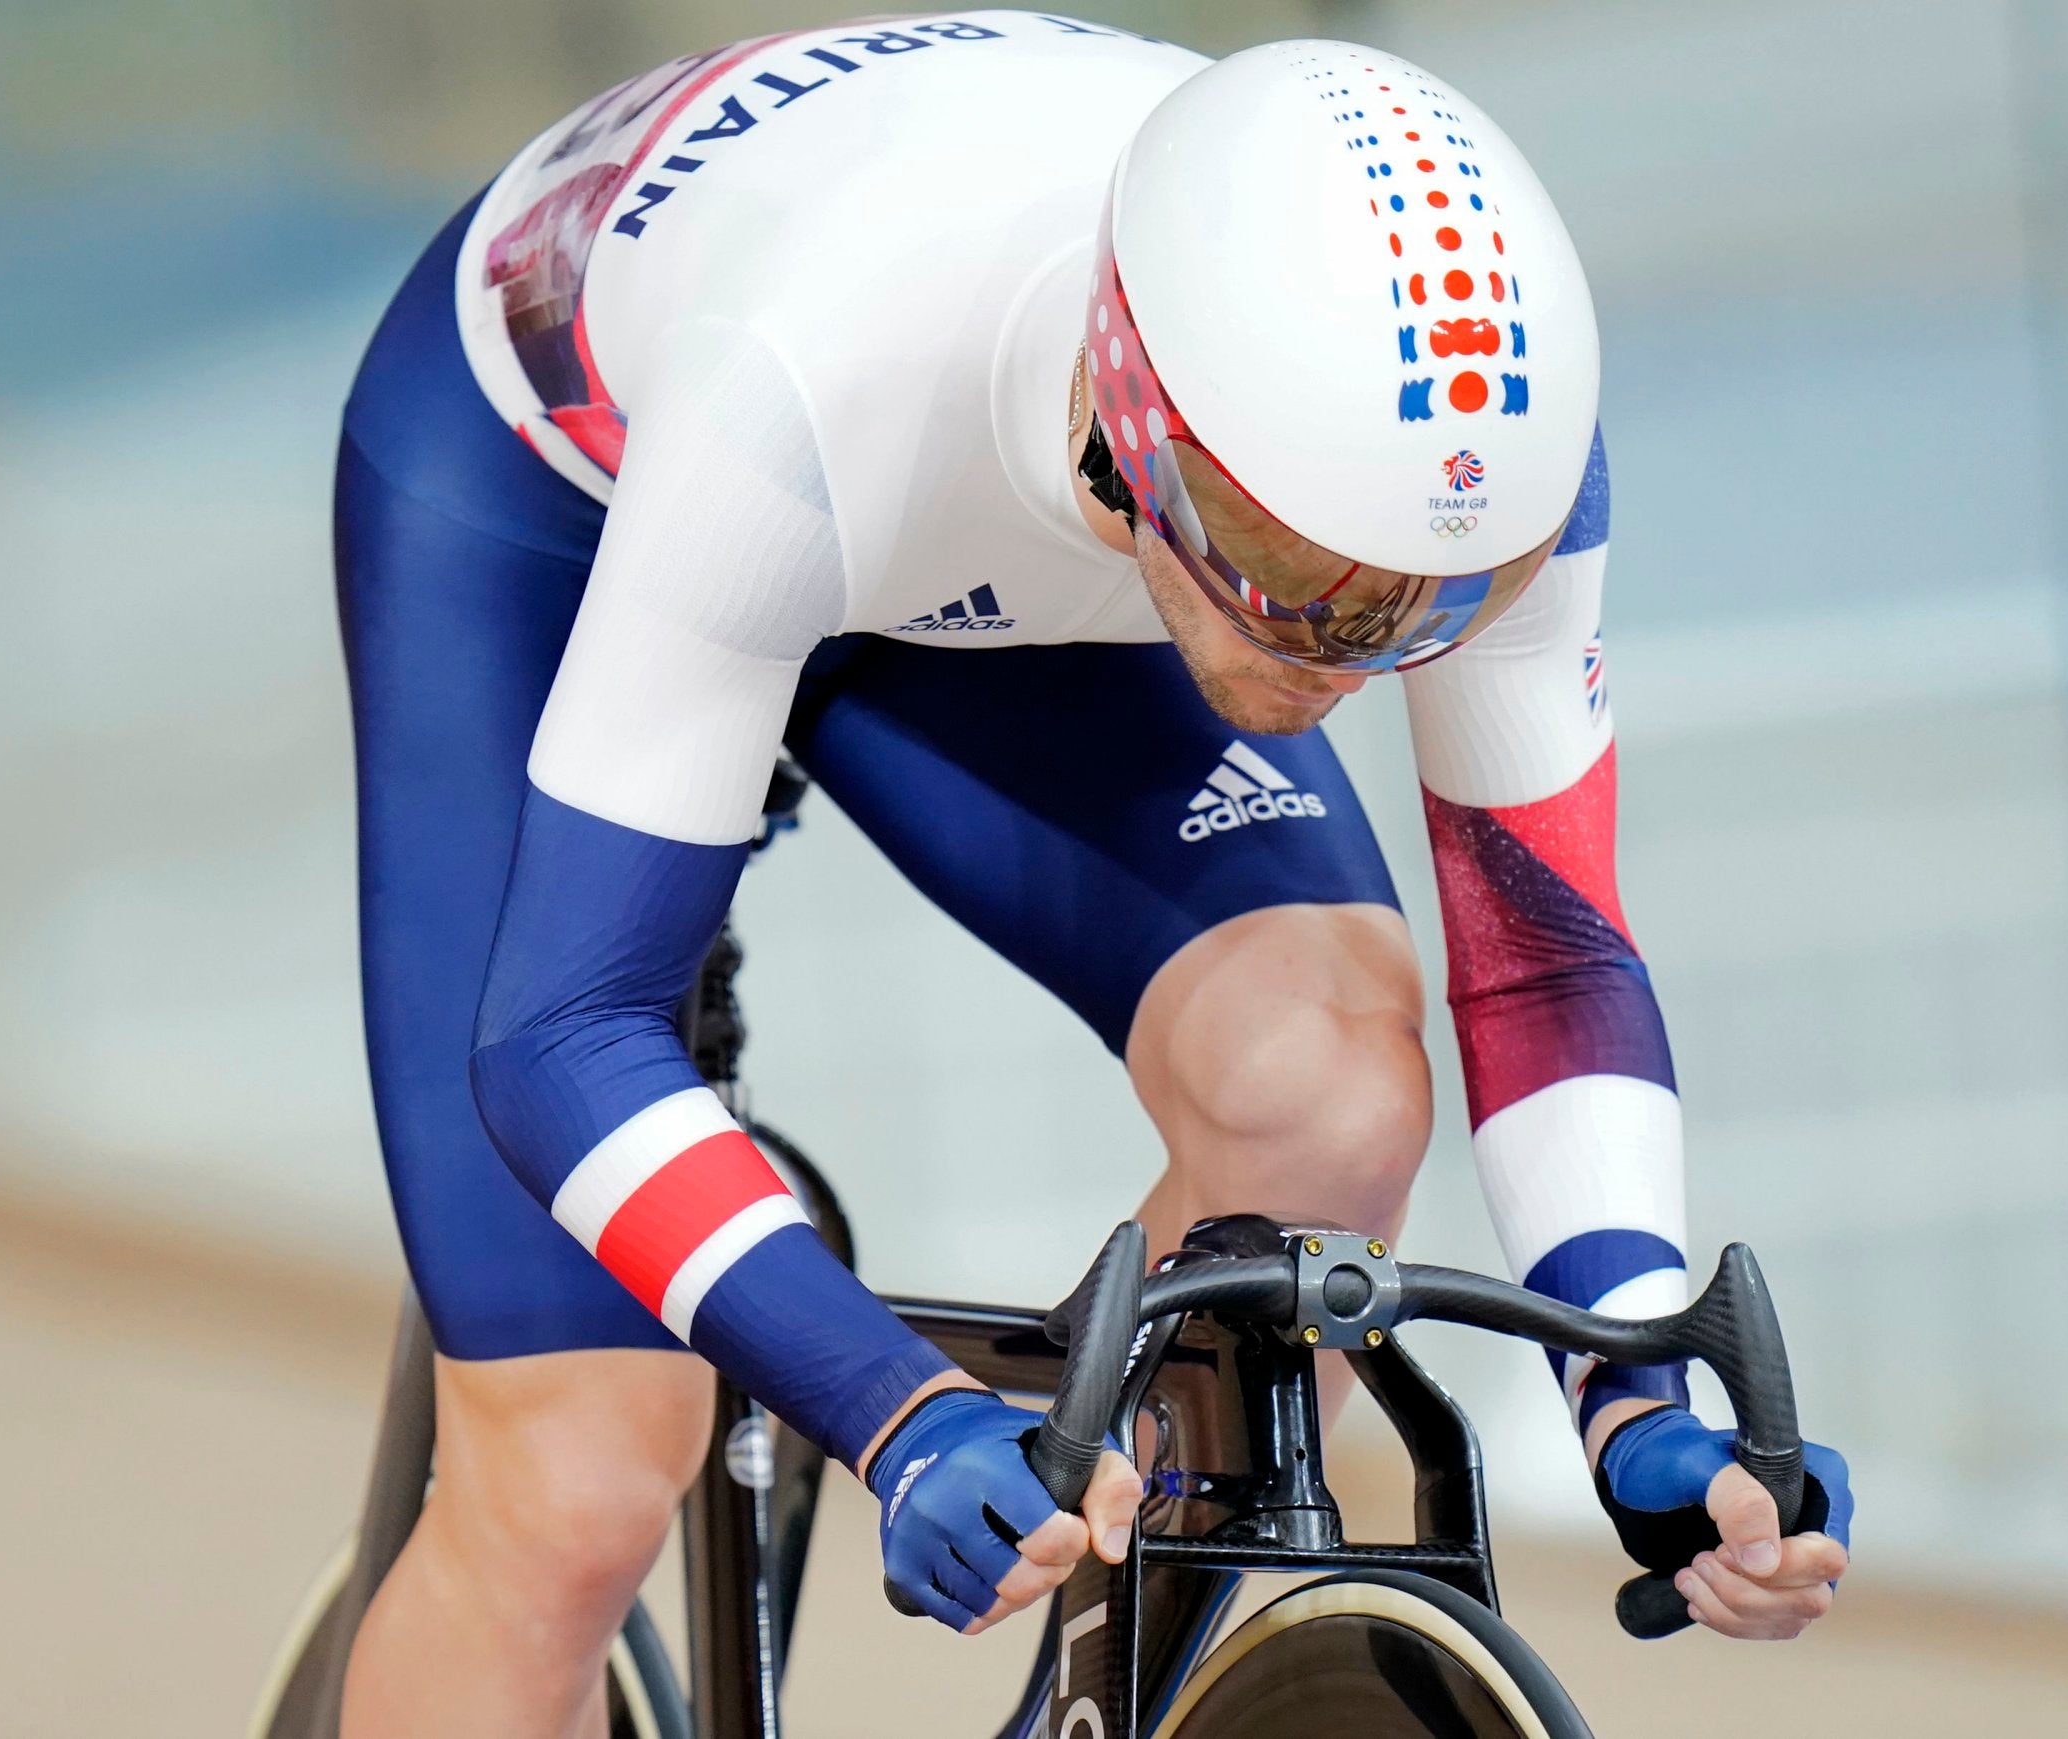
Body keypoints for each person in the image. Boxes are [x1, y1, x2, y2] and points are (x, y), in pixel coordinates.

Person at [332, 16, 1853, 1735]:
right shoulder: (815, 372)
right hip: (567, 490)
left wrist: (1635, 1389)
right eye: (1316, 582)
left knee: (1326, 1100)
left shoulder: (1472, 458)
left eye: (1445, 603)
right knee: (580, 1480)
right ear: (1143, 424)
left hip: (1019, 544)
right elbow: (563, 1034)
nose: (1368, 663)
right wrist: (893, 1411)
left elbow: (1548, 963)